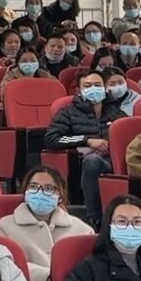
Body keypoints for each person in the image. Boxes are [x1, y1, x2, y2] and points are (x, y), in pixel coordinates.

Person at [0, 164, 91, 281]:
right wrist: (46, 279)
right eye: (33, 187)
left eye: (48, 188)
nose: (40, 193)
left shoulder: (83, 230)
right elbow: (6, 266)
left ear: (60, 196)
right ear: (25, 192)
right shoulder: (5, 226)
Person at [48, 69, 121, 226]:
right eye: (88, 86)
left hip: (112, 160)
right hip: (82, 163)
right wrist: (86, 141)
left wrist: (111, 144)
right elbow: (52, 138)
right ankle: (95, 219)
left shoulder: (115, 111)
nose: (93, 89)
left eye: (98, 85)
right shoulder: (67, 112)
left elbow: (127, 136)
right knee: (92, 161)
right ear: (79, 91)